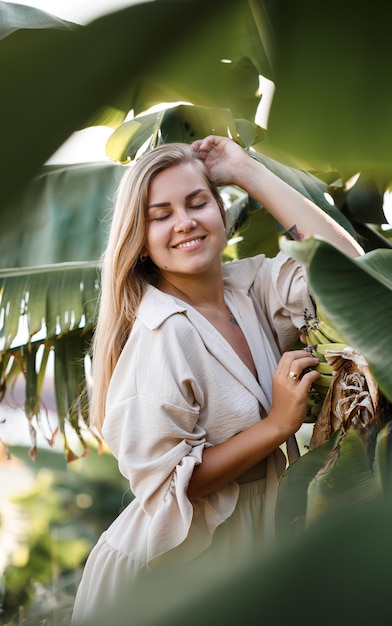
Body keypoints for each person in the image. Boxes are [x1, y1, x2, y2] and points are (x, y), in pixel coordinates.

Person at [72, 135, 363, 623]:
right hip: (165, 576)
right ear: (140, 241)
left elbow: (351, 273)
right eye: (160, 215)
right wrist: (276, 425)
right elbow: (169, 490)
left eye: (196, 202)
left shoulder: (248, 289)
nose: (184, 222)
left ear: (220, 212)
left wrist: (247, 171)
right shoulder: (162, 335)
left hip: (249, 547)